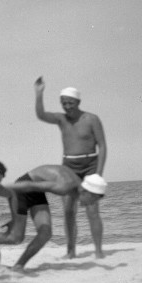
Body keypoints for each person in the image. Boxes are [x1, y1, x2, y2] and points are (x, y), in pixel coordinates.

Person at [34, 76, 108, 258]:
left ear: (78, 102)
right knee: (68, 211)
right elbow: (41, 115)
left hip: (90, 165)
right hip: (69, 167)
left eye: (70, 103)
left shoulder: (91, 119)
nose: (67, 106)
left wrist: (98, 175)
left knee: (92, 210)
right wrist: (39, 94)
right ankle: (71, 251)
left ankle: (98, 251)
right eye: (64, 103)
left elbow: (103, 146)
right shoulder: (61, 119)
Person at [0, 164, 107, 270]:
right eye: (93, 200)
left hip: (36, 192)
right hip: (23, 187)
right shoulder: (65, 186)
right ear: (85, 191)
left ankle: (18, 266)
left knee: (45, 233)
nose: (92, 204)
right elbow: (29, 185)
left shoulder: (78, 187)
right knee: (16, 238)